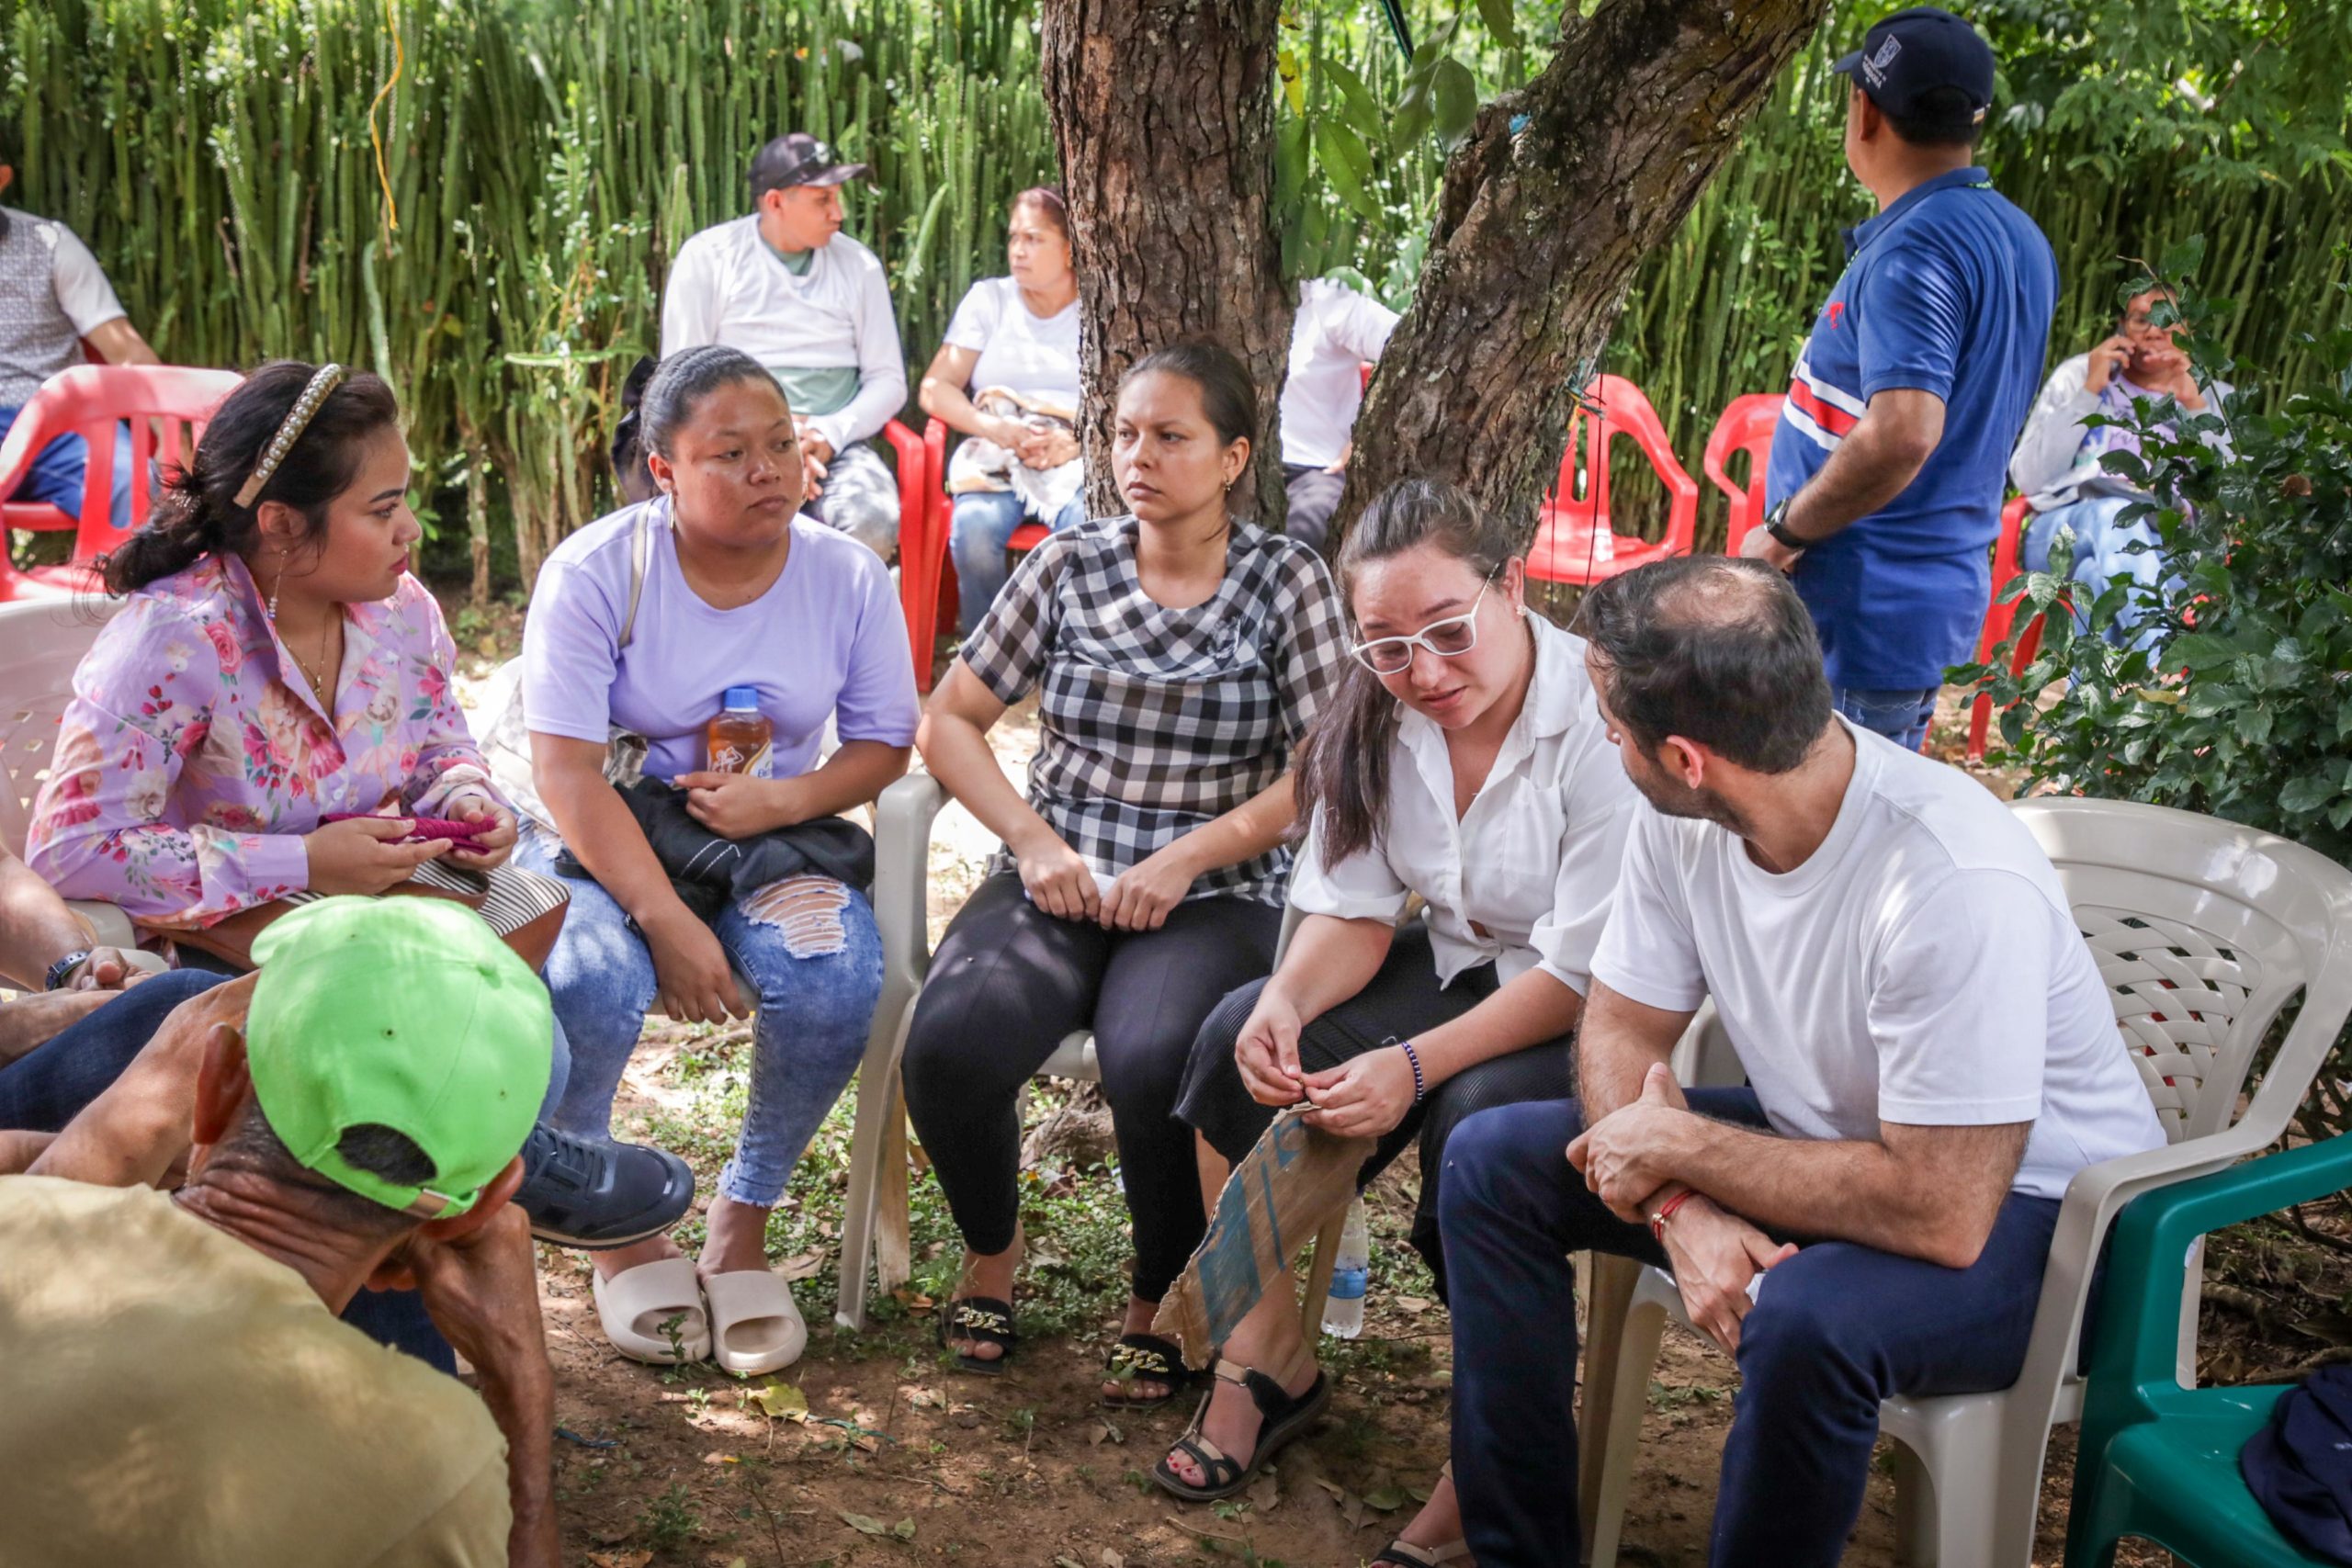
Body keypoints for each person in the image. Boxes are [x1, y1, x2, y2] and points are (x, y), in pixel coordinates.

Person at [1419, 556, 2164, 1567]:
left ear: (1685, 757)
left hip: (2044, 1225)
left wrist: (1678, 1142)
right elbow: (1621, 1028)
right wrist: (1681, 1208)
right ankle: (1521, 1552)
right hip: (1847, 1151)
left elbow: (1941, 1213)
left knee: (1808, 1319)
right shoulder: (1684, 818)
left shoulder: (1948, 880)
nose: (1601, 735)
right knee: (1492, 1158)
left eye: (1609, 719)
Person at [22, 359, 692, 1255]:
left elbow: (442, 749)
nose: (411, 530)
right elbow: (72, 850)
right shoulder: (174, 639)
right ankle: (517, 1183)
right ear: (282, 527)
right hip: (219, 969)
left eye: (405, 499)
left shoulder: (402, 613)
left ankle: (465, 1217)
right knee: (465, 1053)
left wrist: (465, 801)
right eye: (382, 510)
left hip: (376, 917)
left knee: (529, 1017)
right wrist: (301, 863)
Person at [1157, 479, 1639, 1528]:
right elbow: (1355, 911)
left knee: (1480, 1131)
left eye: (1448, 631)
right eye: (1385, 644)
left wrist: (1414, 1067)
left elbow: (1582, 975)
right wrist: (1283, 997)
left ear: (1512, 587)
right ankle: (1265, 1357)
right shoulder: (1375, 708)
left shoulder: (1604, 719)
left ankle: (1490, 1466)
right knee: (1229, 1050)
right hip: (1466, 960)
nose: (1421, 671)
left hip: (1600, 1001)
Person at [901, 340, 1348, 1404]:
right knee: (951, 1043)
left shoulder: (1285, 579)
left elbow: (1324, 771)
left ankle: (1158, 1293)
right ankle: (992, 1256)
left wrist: (1187, 854)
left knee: (1156, 1059)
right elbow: (951, 720)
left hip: (1214, 892)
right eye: (1126, 434)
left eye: (1171, 436)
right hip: (1060, 873)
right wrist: (1030, 840)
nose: (1138, 456)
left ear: (1235, 457)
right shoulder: (1069, 562)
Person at [517, 344, 917, 1375]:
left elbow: (882, 744)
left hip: (763, 834)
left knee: (833, 983)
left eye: (781, 444)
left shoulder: (845, 573)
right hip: (612, 834)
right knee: (590, 983)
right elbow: (565, 774)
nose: (768, 472)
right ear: (663, 469)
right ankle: (620, 1228)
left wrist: (787, 796)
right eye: (730, 454)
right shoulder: (599, 571)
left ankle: (743, 1218)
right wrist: (668, 921)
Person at [0, 897, 564, 1567]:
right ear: (479, 1211)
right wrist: (523, 1391)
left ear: (212, 1083)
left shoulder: (20, 1221)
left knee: (181, 990)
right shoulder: (432, 1464)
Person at [1741, 6, 2057, 751]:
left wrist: (1783, 533)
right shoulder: (2019, 237)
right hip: (1920, 602)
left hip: (1861, 611)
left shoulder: (1915, 249)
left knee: (1836, 851)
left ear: (1866, 111)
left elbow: (1905, 430)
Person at [662, 132, 908, 559]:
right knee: (722, 533)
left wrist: (827, 434)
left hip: (833, 445)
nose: (839, 213)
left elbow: (888, 380)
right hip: (730, 448)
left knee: (874, 523)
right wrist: (773, 443)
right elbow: (679, 379)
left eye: (838, 197)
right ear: (775, 202)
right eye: (822, 200)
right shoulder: (709, 258)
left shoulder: (858, 266)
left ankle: (836, 625)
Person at [2008, 284, 2233, 649]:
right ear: (2121, 327)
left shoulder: (2214, 397)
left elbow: (2234, 501)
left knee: (2095, 578)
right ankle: (2159, 665)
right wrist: (2088, 393)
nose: (2154, 330)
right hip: (2064, 534)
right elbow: (2029, 479)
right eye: (2141, 319)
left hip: (2172, 553)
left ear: (2187, 330)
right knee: (2113, 514)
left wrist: (2195, 405)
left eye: (2166, 320)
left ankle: (2088, 704)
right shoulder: (2080, 375)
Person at [919, 186, 1087, 635]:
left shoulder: (1099, 305)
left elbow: (1126, 396)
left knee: (1086, 529)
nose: (1018, 251)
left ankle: (1065, 656)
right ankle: (986, 660)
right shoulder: (989, 300)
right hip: (999, 451)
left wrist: (1077, 444)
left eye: (1034, 239)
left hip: (1076, 455)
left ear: (1070, 249)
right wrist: (995, 428)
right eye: (1014, 237)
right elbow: (936, 389)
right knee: (974, 531)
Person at [0, 135, 162, 534]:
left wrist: (190, 460)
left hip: (61, 426)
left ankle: (147, 596)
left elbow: (126, 353)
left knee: (139, 483)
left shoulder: (51, 244)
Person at [1280, 276, 1398, 556]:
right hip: (1230, 464)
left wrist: (1365, 434)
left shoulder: (1327, 301)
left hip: (1316, 469)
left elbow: (1417, 349)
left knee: (1300, 543)